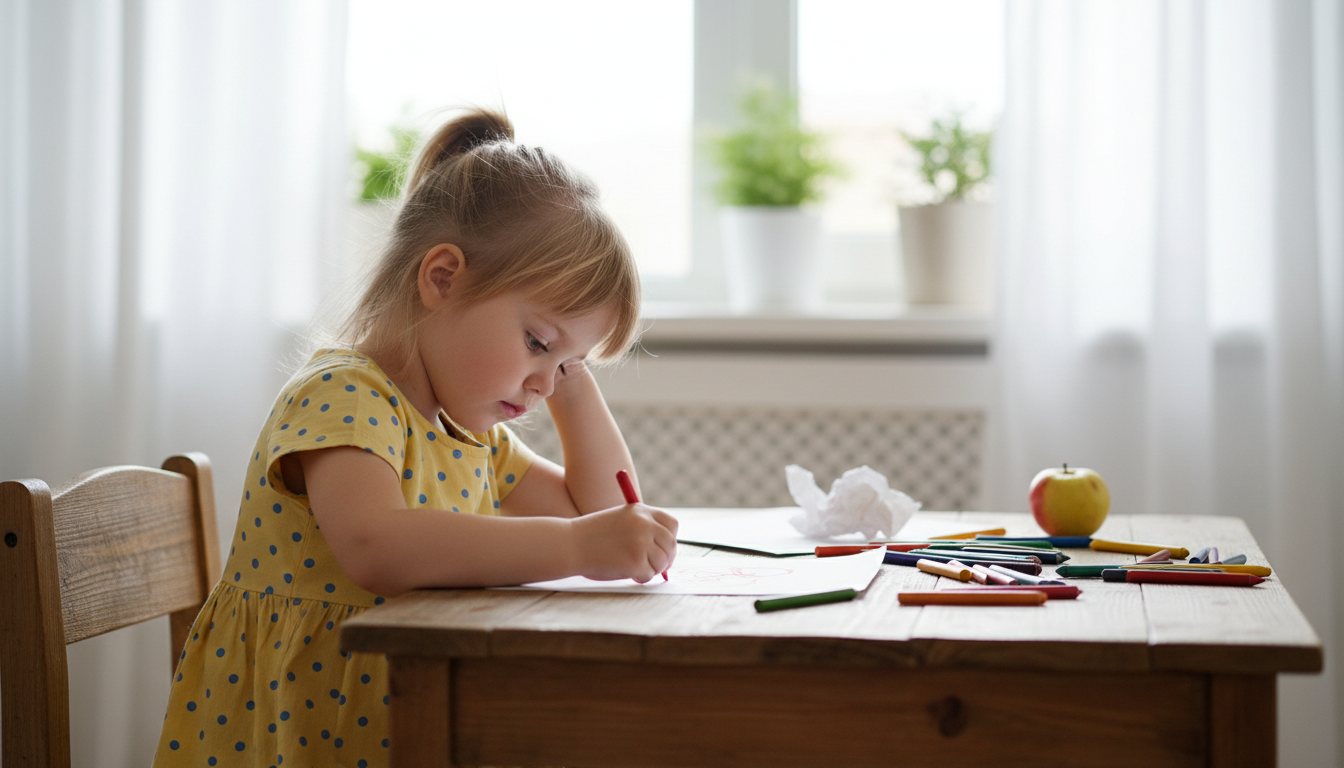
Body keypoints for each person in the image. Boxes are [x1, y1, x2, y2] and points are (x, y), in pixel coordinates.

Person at [152, 108, 678, 768]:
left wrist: (572, 382)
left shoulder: (468, 437)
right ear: (443, 278)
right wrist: (577, 546)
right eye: (538, 343)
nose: (545, 383)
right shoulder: (343, 395)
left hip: (401, 707)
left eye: (567, 363)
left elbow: (598, 513)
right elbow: (378, 547)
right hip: (303, 724)